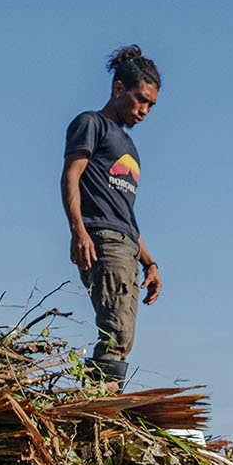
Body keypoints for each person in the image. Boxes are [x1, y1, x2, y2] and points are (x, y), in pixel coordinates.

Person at [61, 45, 163, 387]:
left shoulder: (129, 148)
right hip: (102, 240)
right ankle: (99, 405)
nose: (145, 110)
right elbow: (71, 176)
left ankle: (103, 399)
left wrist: (150, 262)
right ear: (119, 88)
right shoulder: (91, 124)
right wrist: (79, 231)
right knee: (116, 329)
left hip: (127, 245)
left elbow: (125, 213)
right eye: (141, 99)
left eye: (151, 104)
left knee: (123, 335)